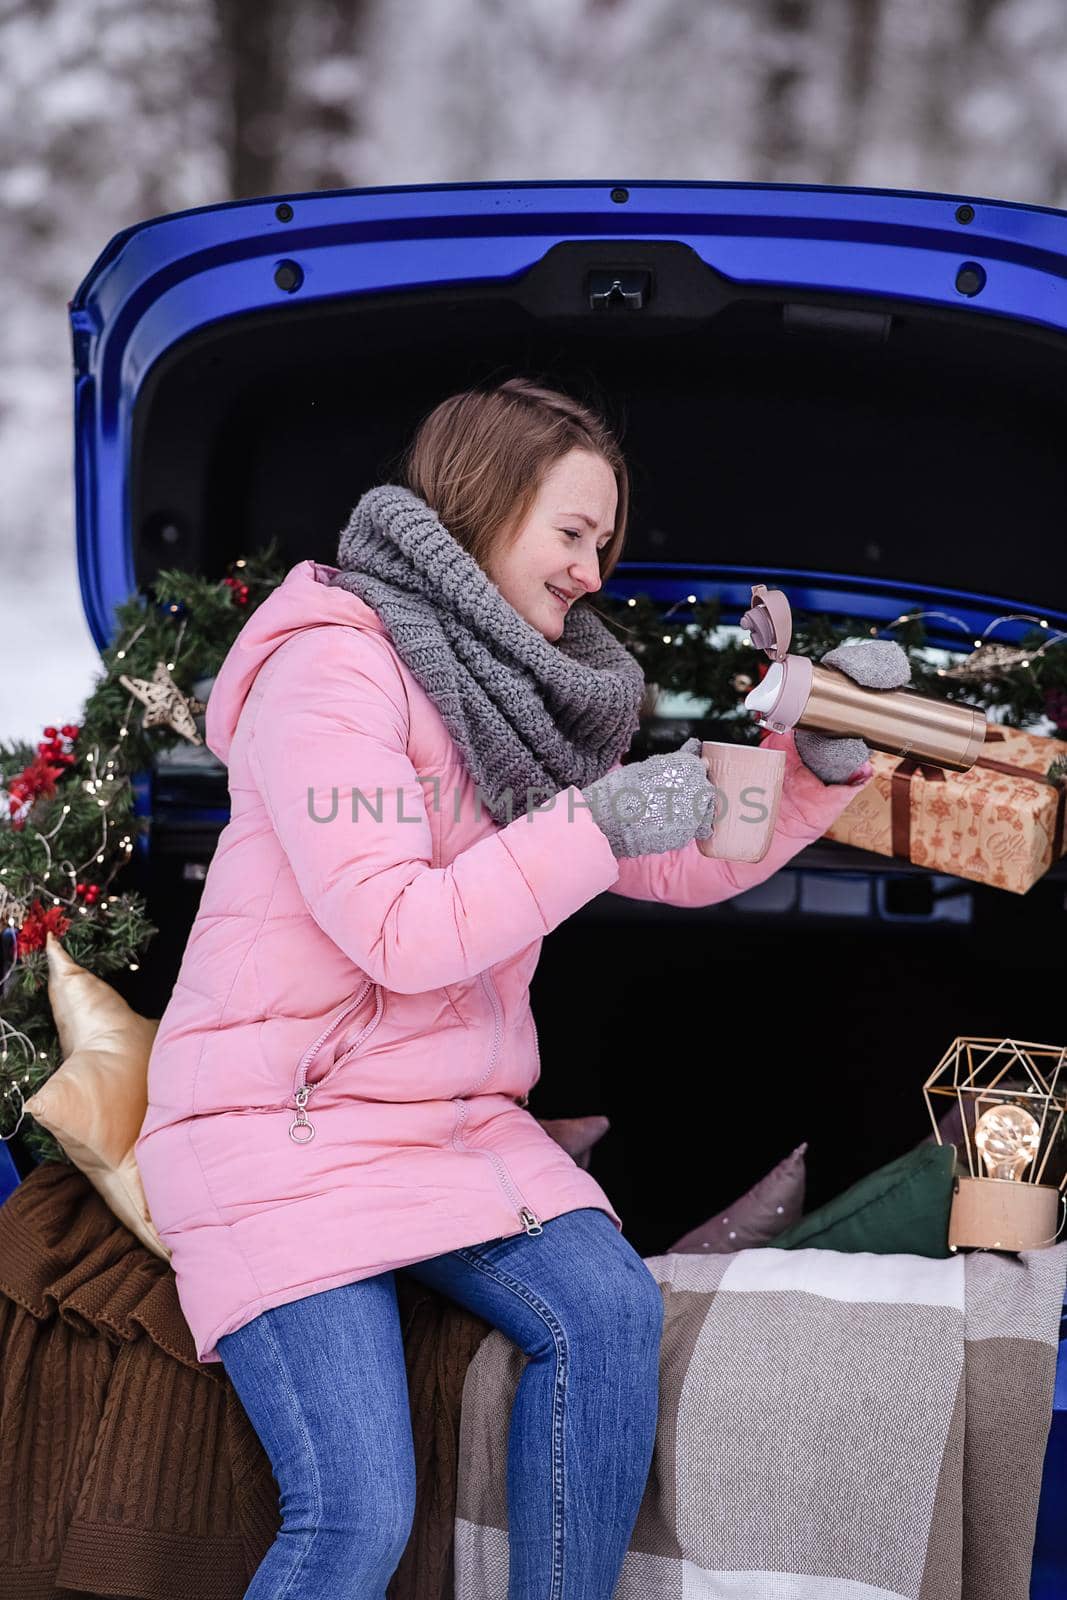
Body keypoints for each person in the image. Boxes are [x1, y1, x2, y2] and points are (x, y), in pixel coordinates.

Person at [135, 376, 874, 1598]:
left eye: (605, 543)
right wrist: (592, 816)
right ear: (480, 505)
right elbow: (399, 930)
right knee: (358, 1513)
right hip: (281, 1129)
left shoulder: (515, 690)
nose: (593, 571)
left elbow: (676, 854)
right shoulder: (334, 670)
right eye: (572, 534)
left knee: (607, 1314)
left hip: (450, 1124)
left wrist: (809, 773)